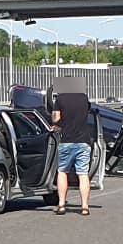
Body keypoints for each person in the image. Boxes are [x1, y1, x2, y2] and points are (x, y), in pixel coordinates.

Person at [49, 74, 97, 216]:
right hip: (84, 141)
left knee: (62, 172)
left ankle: (62, 204)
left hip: (67, 141)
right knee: (83, 174)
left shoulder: (60, 99)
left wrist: (54, 120)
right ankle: (85, 207)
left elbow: (57, 118)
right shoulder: (83, 98)